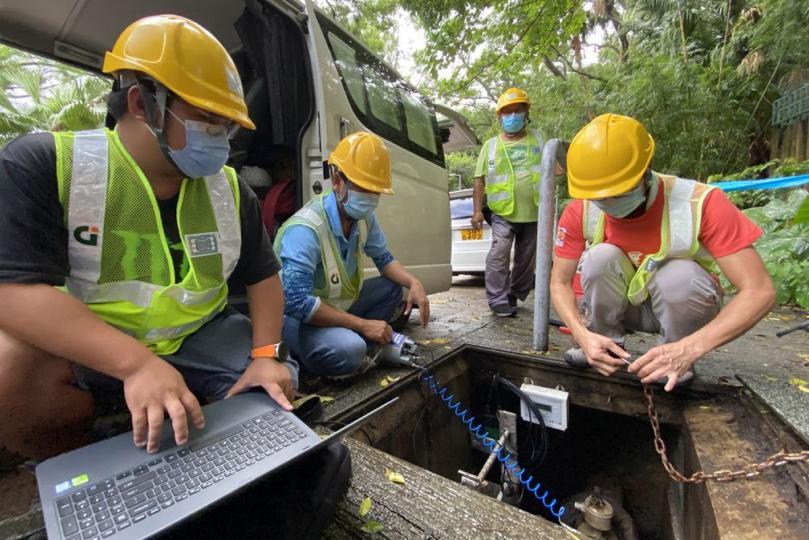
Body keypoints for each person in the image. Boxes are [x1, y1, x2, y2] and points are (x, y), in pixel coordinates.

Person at [0, 15, 297, 460]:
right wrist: (136, 363)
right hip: (93, 341)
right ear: (143, 104)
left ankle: (214, 452)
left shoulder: (231, 190)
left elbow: (264, 278)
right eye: (207, 120)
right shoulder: (47, 164)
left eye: (227, 126)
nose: (220, 138)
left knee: (277, 380)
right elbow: (14, 294)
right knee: (10, 370)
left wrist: (266, 354)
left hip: (197, 336)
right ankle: (85, 466)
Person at [550, 113, 775, 391]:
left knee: (679, 274)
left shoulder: (700, 203)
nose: (607, 202)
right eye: (599, 196)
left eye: (619, 192)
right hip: (624, 307)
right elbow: (559, 283)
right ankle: (604, 346)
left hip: (681, 307)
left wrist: (690, 349)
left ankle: (674, 357)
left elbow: (760, 291)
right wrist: (582, 334)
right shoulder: (581, 211)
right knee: (599, 258)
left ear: (645, 172)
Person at [275, 131, 430, 379]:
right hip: (296, 320)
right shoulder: (305, 229)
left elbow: (384, 259)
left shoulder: (363, 218)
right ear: (338, 182)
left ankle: (349, 343)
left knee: (392, 287)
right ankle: (323, 359)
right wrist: (362, 325)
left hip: (336, 308)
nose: (369, 197)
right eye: (362, 187)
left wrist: (414, 282)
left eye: (375, 191)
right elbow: (297, 303)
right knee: (350, 350)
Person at [471, 87, 545, 317]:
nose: (512, 116)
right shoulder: (490, 146)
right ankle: (496, 299)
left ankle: (514, 293)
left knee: (526, 259)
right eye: (507, 112)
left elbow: (557, 168)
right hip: (502, 211)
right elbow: (479, 179)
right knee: (499, 252)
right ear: (499, 116)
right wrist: (477, 211)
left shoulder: (539, 139)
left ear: (526, 112)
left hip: (534, 210)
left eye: (518, 110)